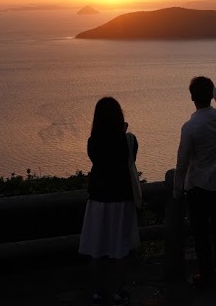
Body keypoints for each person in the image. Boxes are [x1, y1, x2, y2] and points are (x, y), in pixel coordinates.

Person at [78, 97, 140, 306]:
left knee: (96, 247)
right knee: (120, 248)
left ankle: (97, 291)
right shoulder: (129, 140)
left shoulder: (92, 142)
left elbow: (97, 160)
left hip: (98, 200)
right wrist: (123, 131)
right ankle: (118, 291)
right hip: (122, 200)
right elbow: (131, 159)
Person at [174, 76, 216, 288]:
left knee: (201, 234)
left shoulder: (190, 127)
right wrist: (214, 89)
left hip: (199, 187)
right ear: (210, 94)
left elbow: (182, 163)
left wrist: (177, 190)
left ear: (192, 97)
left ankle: (206, 274)